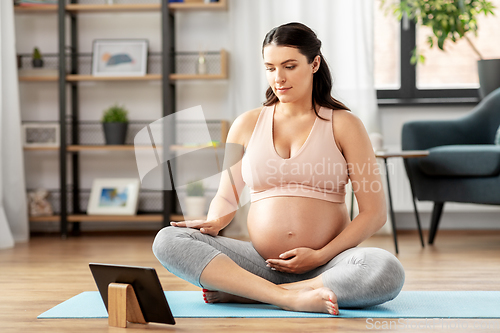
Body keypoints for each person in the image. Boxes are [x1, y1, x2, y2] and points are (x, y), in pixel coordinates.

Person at [153, 22, 405, 316]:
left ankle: (254, 293)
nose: (279, 78)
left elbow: (374, 213)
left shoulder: (345, 125)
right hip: (260, 263)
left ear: (314, 63)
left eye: (289, 66)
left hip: (328, 265)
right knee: (168, 239)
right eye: (270, 68)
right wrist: (214, 221)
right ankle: (286, 296)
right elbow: (227, 196)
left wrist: (320, 255)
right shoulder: (246, 124)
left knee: (386, 268)